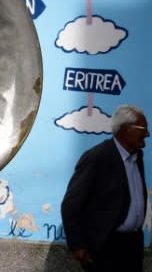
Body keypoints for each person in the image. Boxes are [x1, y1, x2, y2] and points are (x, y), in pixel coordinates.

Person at [61, 104, 150, 271]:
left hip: (133, 246)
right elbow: (71, 204)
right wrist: (78, 245)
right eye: (143, 128)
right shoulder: (97, 157)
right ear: (125, 129)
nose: (147, 134)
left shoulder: (137, 157)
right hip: (105, 246)